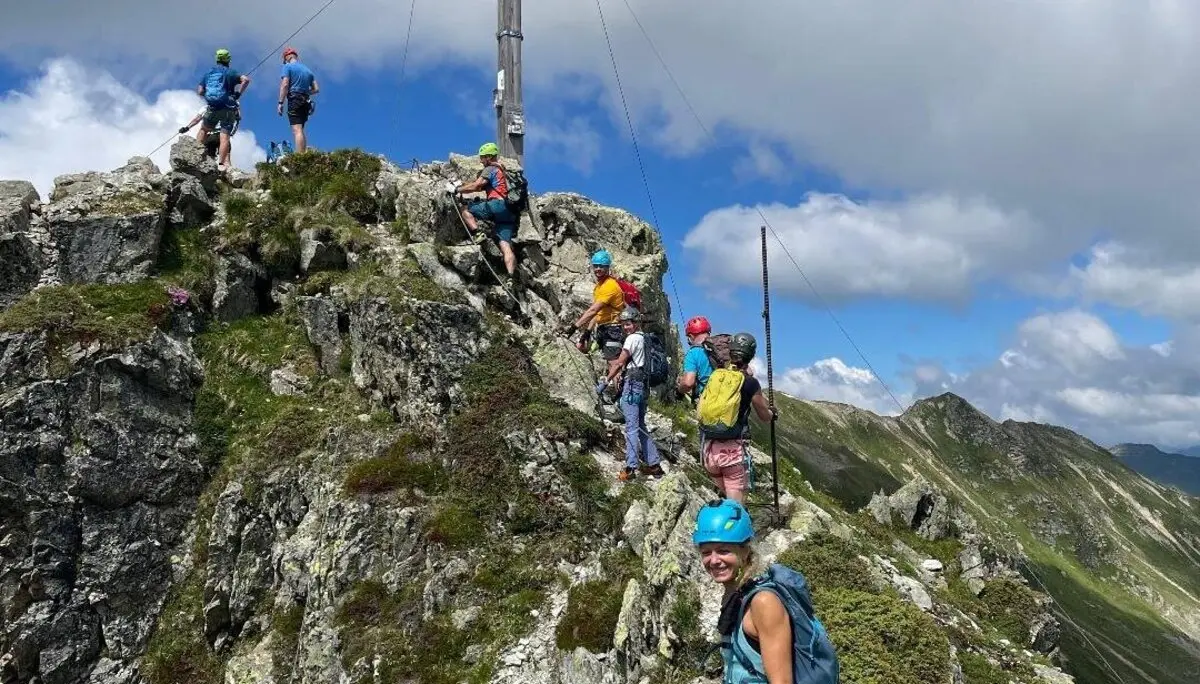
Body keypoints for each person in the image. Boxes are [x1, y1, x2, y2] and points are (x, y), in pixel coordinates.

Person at [693, 499, 840, 684]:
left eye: (723, 551)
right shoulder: (736, 594)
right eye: (706, 552)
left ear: (745, 551)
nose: (713, 560)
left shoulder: (764, 603)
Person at [696, 333, 774, 502]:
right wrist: (773, 414)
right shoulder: (750, 383)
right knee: (735, 509)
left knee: (724, 501)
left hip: (709, 449)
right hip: (733, 453)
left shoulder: (717, 376)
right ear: (751, 356)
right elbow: (764, 415)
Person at [601, 306, 665, 481]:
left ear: (636, 323)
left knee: (631, 427)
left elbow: (620, 362)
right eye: (624, 324)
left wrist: (606, 380)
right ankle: (654, 465)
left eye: (628, 323)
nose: (626, 327)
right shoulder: (646, 339)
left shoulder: (631, 339)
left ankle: (630, 468)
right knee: (641, 426)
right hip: (643, 385)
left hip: (632, 385)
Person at [450, 142, 519, 278]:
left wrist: (456, 189)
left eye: (482, 157)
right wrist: (463, 185)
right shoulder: (504, 172)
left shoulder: (491, 169)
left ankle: (478, 233)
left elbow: (477, 185)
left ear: (489, 157)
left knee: (465, 209)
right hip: (510, 213)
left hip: (497, 205)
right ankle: (511, 278)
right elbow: (481, 187)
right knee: (505, 245)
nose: (481, 161)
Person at [565, 250, 626, 381]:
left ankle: (622, 398)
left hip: (613, 329)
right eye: (596, 266)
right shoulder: (599, 286)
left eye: (601, 266)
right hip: (603, 327)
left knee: (613, 364)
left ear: (608, 267)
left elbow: (593, 310)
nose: (598, 269)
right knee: (582, 348)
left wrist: (574, 327)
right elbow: (597, 314)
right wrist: (586, 334)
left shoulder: (610, 286)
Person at [196, 48, 250, 171]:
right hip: (228, 108)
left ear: (216, 59)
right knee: (224, 136)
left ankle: (194, 154)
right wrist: (238, 94)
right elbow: (246, 80)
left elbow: (199, 91)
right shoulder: (231, 72)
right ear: (228, 60)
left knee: (204, 130)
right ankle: (221, 164)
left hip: (213, 107)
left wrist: (208, 97)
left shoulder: (208, 73)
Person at [277, 46, 319, 153]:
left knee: (297, 130)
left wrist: (280, 103)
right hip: (306, 101)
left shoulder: (288, 67)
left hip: (294, 99)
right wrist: (305, 92)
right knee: (300, 129)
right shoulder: (308, 71)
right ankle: (303, 154)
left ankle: (300, 157)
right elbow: (316, 89)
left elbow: (285, 84)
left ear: (287, 57)